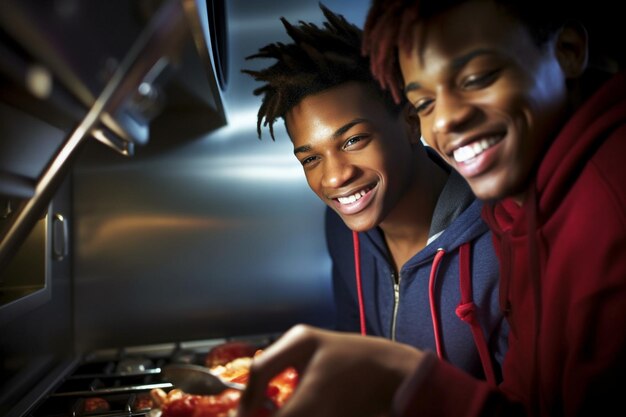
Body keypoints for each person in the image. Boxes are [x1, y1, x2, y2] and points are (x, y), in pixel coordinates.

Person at [237, 1, 626, 417]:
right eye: (426, 104)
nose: (445, 121)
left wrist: (401, 378)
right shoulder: (515, 212)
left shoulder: (600, 211)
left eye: (477, 78)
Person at [242, 3, 508, 385]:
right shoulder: (342, 228)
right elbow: (353, 348)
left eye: (353, 140)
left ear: (410, 122)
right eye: (311, 158)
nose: (334, 177)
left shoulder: (497, 239)